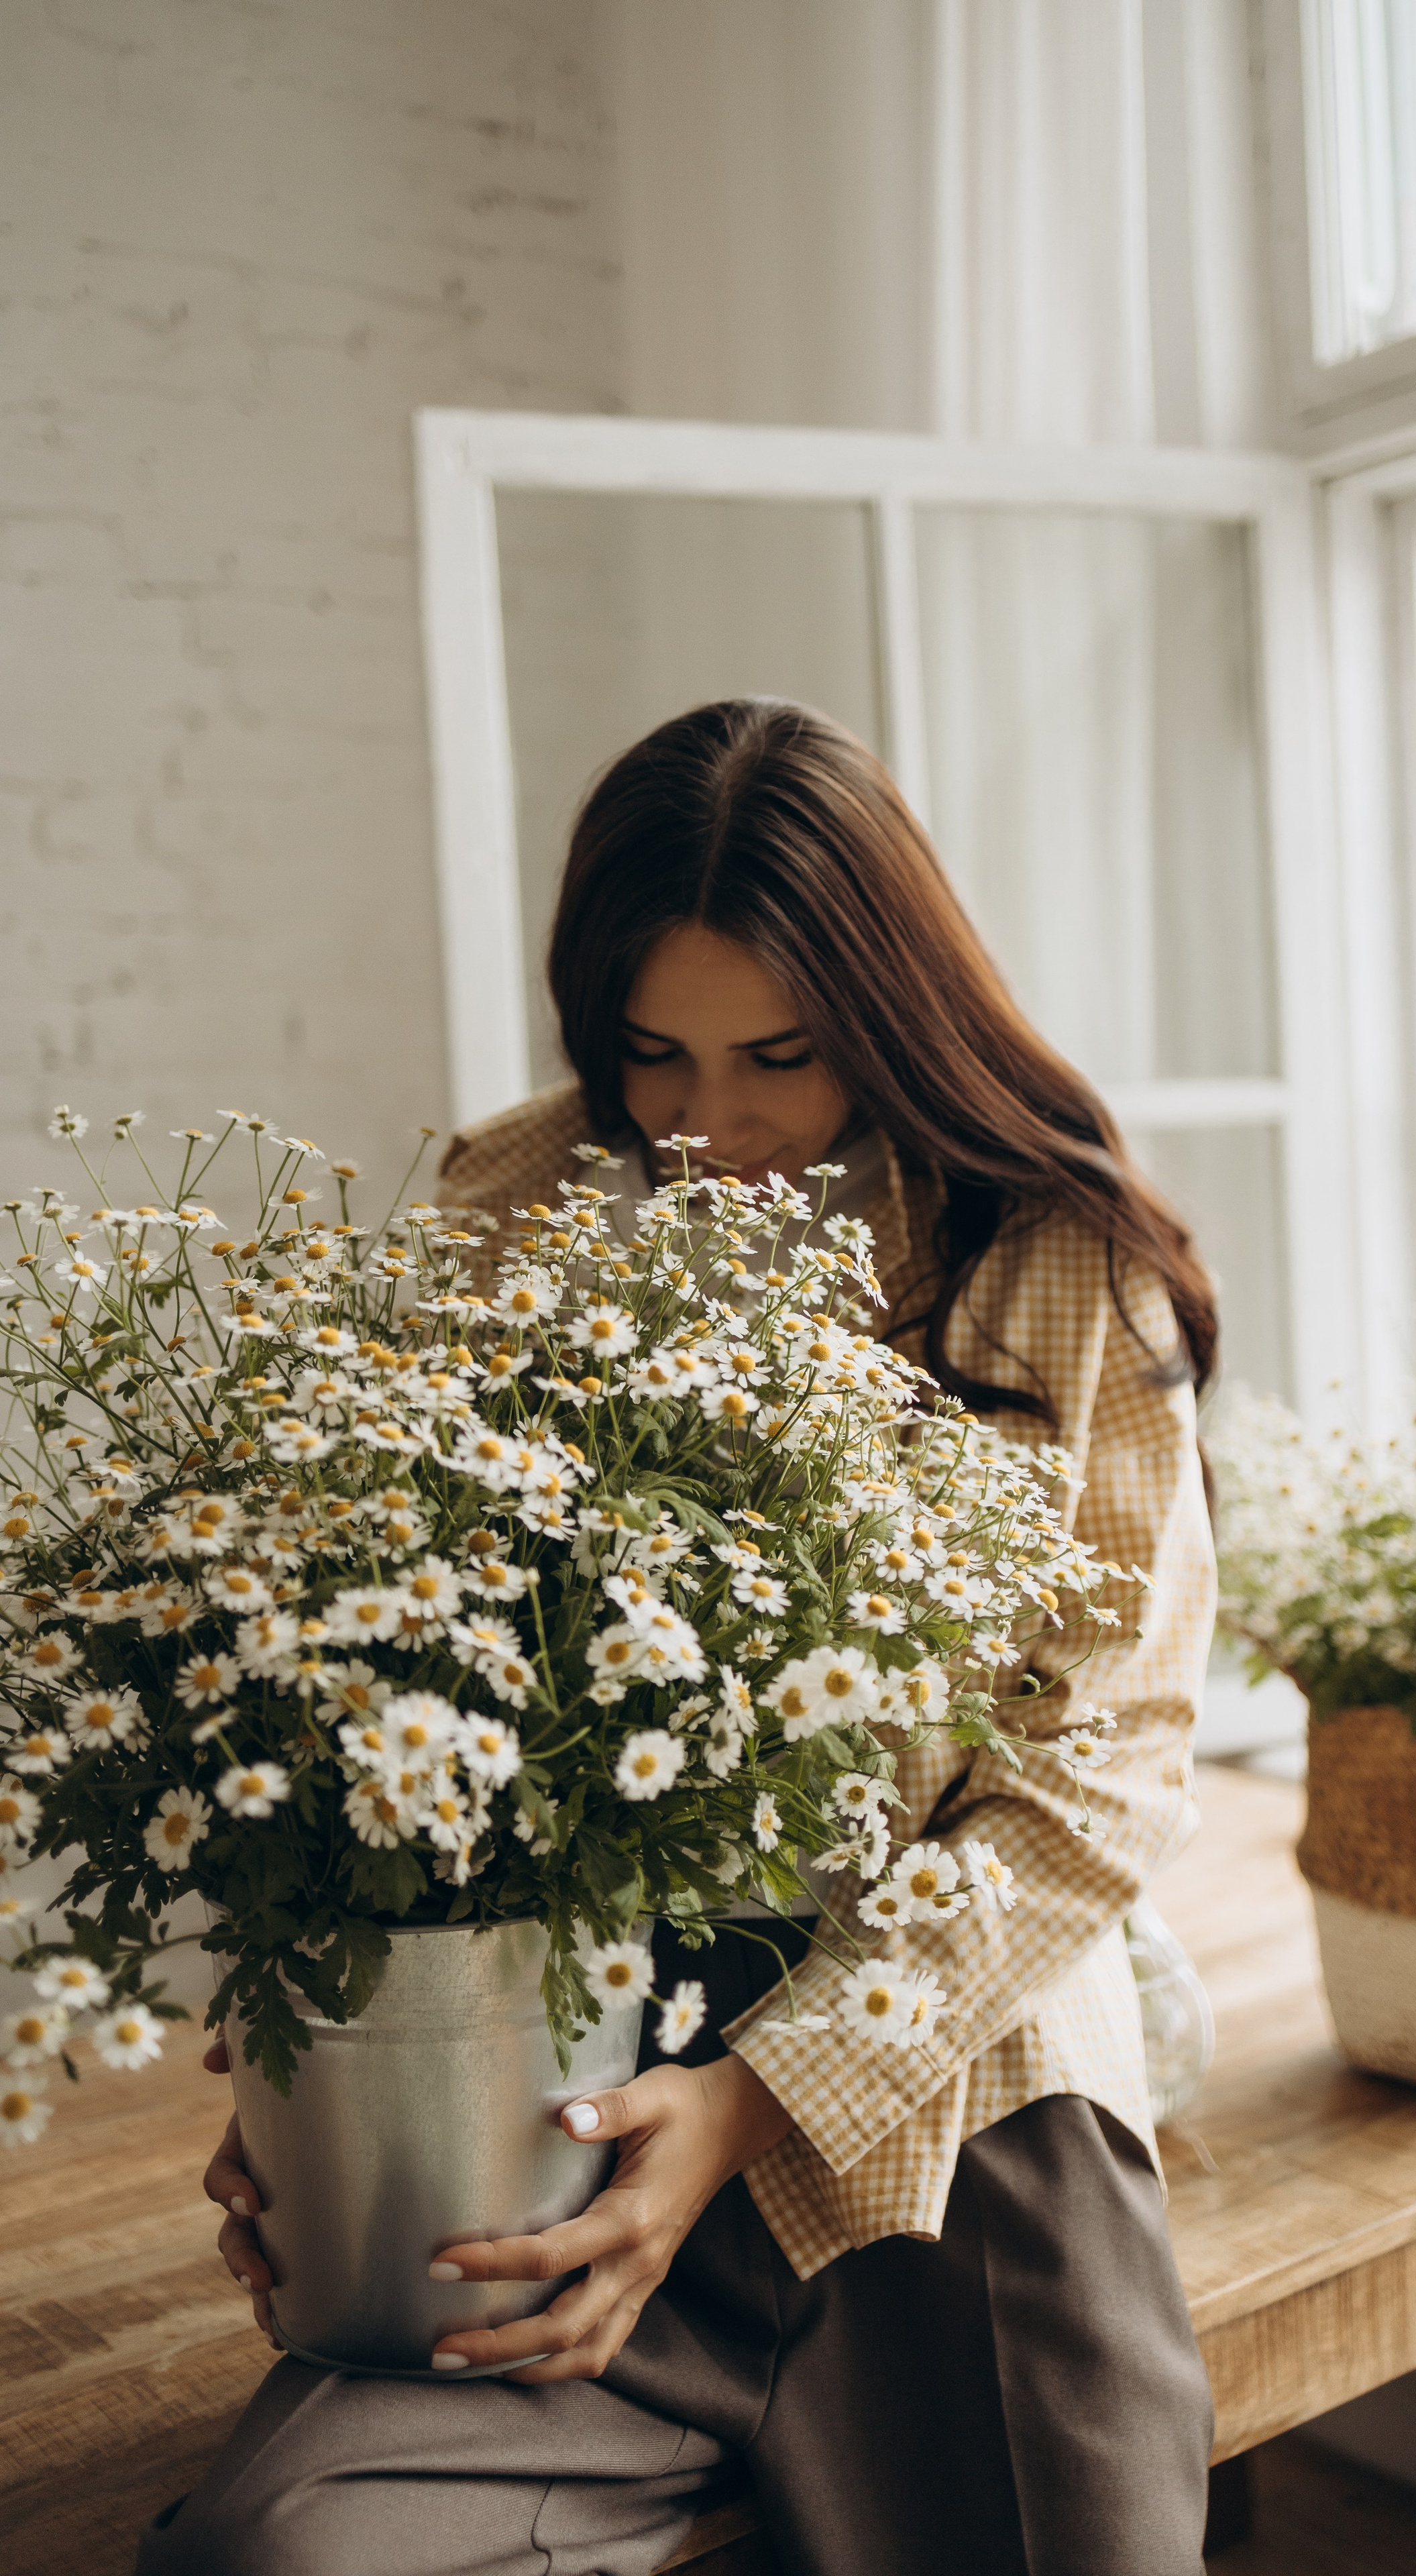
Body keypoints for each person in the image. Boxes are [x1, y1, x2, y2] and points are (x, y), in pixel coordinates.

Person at [142, 699, 1218, 2576]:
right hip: (545, 2098)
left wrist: (754, 2103)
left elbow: (1097, 1768)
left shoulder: (1053, 1256)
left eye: (780, 1058)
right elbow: (353, 1698)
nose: (708, 1124)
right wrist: (303, 2079)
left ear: (888, 1017)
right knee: (275, 2553)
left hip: (947, 2111)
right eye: (654, 1055)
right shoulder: (505, 1205)